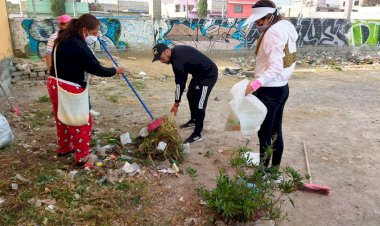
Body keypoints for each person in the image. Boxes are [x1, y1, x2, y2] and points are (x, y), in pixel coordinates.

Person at [47, 14, 124, 166]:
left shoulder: (62, 37)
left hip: (54, 83)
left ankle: (64, 148)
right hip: (69, 86)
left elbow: (80, 61)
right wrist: (115, 71)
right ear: (84, 30)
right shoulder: (78, 44)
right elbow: (96, 68)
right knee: (82, 121)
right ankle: (82, 158)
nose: (95, 37)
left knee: (62, 118)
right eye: (94, 33)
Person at [243, 0, 298, 168]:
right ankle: (273, 170)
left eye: (259, 21)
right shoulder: (285, 25)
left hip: (270, 90)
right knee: (275, 131)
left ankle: (262, 173)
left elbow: (275, 67)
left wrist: (255, 84)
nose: (257, 25)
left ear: (268, 18)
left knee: (265, 133)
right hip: (282, 87)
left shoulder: (273, 33)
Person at [152, 43, 218, 144]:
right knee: (190, 94)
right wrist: (177, 102)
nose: (161, 61)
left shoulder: (178, 59)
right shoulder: (176, 56)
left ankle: (197, 134)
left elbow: (180, 85)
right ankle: (194, 120)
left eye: (161, 58)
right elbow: (181, 81)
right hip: (198, 75)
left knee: (200, 104)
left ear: (167, 52)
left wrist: (176, 104)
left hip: (208, 75)